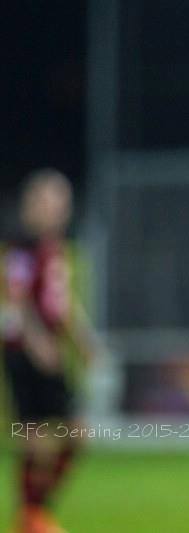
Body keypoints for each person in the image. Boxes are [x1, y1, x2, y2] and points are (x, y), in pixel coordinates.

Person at [2, 169, 94, 533]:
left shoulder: (55, 248)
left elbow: (62, 303)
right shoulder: (21, 247)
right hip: (24, 351)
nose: (57, 210)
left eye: (62, 203)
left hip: (51, 350)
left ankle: (34, 512)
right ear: (31, 206)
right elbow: (17, 298)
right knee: (37, 438)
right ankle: (32, 517)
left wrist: (82, 339)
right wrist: (36, 341)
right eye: (49, 202)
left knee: (76, 434)